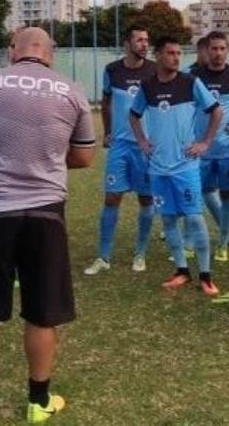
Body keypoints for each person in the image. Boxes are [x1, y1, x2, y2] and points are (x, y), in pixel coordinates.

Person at [0, 27, 95, 425]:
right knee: (42, 312)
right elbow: (83, 158)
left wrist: (5, 154)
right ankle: (38, 403)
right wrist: (44, 157)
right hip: (46, 213)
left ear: (13, 51)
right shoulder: (72, 90)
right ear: (50, 54)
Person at [130, 36, 223, 296]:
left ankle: (205, 276)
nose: (176, 58)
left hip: (185, 166)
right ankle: (182, 271)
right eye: (170, 53)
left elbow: (216, 111)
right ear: (158, 55)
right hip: (158, 168)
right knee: (169, 220)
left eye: (178, 53)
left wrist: (205, 142)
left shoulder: (191, 82)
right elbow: (133, 115)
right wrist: (141, 141)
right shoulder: (147, 86)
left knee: (194, 218)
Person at [85, 25, 156, 275]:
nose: (144, 44)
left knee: (146, 199)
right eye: (139, 40)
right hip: (120, 146)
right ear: (127, 44)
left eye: (146, 40)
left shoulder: (154, 71)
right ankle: (103, 257)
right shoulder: (112, 70)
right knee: (112, 197)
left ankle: (140, 253)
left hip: (146, 146)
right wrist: (107, 132)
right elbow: (105, 103)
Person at [190, 31, 229, 262]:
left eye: (222, 49)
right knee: (197, 194)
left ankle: (224, 243)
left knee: (227, 197)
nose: (218, 53)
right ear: (206, 50)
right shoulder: (193, 75)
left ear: (228, 50)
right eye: (214, 49)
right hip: (201, 149)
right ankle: (191, 241)